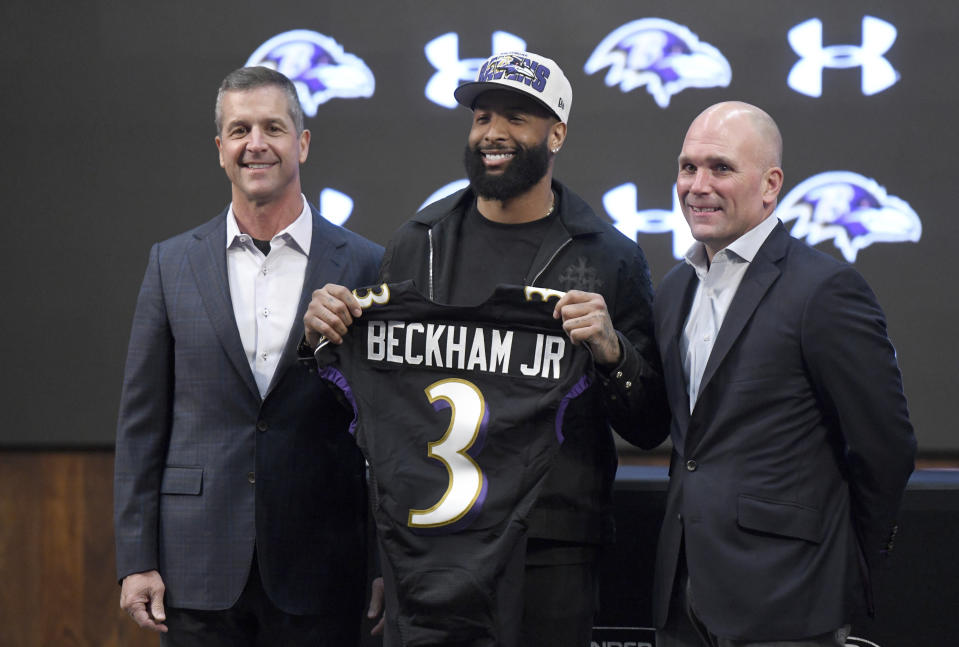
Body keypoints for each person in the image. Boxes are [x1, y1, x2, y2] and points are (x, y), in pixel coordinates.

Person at [303, 51, 668, 645]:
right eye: (482, 117)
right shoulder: (417, 242)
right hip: (427, 544)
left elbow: (651, 423)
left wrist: (612, 352)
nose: (493, 133)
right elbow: (375, 413)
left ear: (557, 134)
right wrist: (320, 336)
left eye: (517, 117)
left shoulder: (609, 256)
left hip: (551, 545)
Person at [113, 66, 383, 646]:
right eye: (239, 130)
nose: (255, 144)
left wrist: (384, 563)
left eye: (273, 128)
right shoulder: (171, 264)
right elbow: (141, 424)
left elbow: (389, 432)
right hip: (195, 569)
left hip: (325, 567)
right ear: (219, 149)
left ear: (302, 143)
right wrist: (136, 558)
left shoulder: (365, 265)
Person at [651, 101, 916, 646]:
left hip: (788, 601)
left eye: (720, 167)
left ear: (770, 185)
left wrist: (847, 565)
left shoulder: (825, 290)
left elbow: (884, 448)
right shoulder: (674, 289)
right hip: (683, 601)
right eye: (687, 167)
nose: (697, 185)